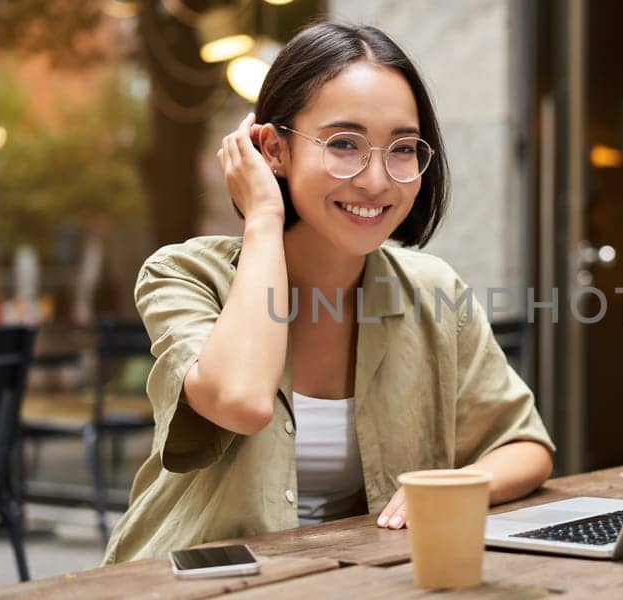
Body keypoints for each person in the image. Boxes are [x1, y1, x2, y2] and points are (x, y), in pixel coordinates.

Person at [103, 22, 554, 564]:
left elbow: (524, 446)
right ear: (273, 148)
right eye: (344, 144)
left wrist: (455, 486)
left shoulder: (433, 291)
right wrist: (263, 217)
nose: (377, 180)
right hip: (180, 584)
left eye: (403, 148)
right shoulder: (184, 275)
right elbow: (242, 402)